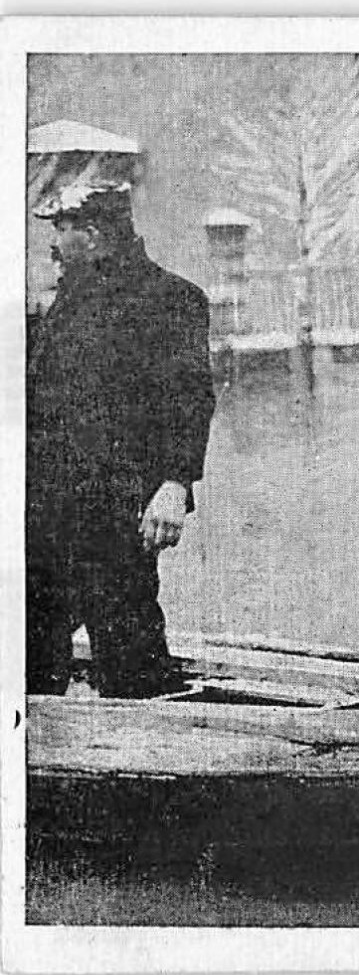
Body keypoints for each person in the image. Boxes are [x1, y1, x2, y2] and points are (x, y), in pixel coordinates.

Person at [26, 180, 216, 698]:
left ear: (93, 232)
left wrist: (176, 484)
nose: (52, 243)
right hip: (43, 514)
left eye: (61, 229)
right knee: (30, 660)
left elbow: (189, 399)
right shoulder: (62, 305)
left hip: (116, 516)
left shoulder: (172, 300)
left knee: (130, 661)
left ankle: (138, 769)